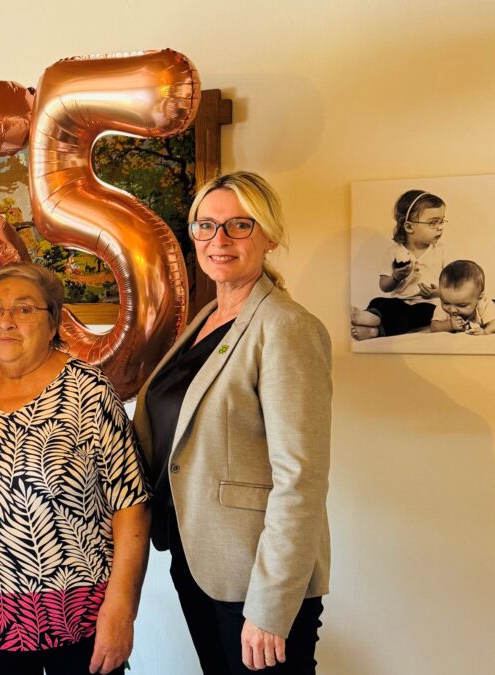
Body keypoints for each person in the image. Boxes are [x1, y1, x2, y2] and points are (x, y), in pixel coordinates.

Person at [133, 172, 332, 674]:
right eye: (206, 225)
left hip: (255, 581)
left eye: (238, 226)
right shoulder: (208, 319)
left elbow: (300, 480)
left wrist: (270, 607)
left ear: (269, 236)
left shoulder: (286, 328)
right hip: (200, 562)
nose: (219, 240)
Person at [0, 262, 151, 675]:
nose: (6, 322)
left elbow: (132, 507)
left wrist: (122, 610)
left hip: (80, 624)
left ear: (53, 321)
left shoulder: (86, 391)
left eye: (24, 310)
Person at [351, 190, 447, 340]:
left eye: (442, 221)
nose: (440, 227)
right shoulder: (394, 252)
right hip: (401, 301)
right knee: (380, 302)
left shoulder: (442, 251)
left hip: (429, 304)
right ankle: (372, 317)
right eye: (433, 222)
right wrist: (395, 277)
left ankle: (374, 330)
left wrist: (437, 293)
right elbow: (384, 286)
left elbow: (455, 286)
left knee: (411, 316)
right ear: (409, 227)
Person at [430, 259, 495, 335]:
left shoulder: (483, 304)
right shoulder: (443, 305)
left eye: (462, 305)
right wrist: (448, 325)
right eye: (446, 303)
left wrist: (486, 331)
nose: (452, 309)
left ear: (479, 297)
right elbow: (434, 327)